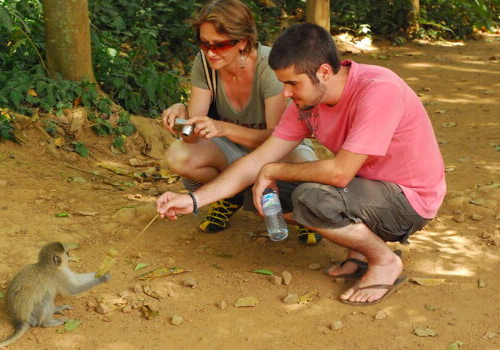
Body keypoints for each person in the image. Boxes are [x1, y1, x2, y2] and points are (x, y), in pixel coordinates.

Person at [157, 23, 446, 305]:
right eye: (283, 83)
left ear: (323, 72)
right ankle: (358, 253)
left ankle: (384, 261)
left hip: (408, 201)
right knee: (258, 192)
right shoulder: (306, 103)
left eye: (292, 83)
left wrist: (273, 170)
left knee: (312, 198)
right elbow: (257, 160)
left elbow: (340, 173)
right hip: (365, 189)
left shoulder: (378, 90)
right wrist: (193, 200)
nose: (286, 94)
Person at [161, 0, 319, 241]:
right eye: (204, 43)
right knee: (179, 154)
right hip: (233, 152)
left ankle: (300, 212)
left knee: (305, 177)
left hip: (279, 151)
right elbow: (192, 136)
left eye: (220, 45)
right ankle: (232, 195)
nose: (210, 52)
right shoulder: (204, 63)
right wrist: (182, 119)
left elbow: (277, 138)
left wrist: (224, 128)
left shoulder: (269, 65)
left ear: (243, 41)